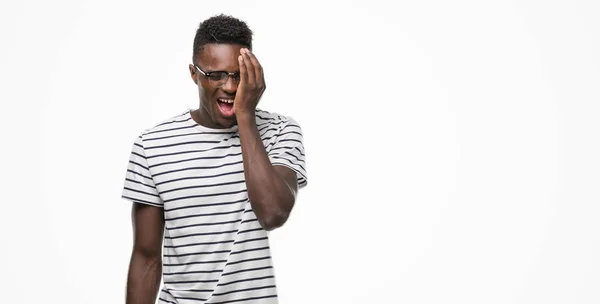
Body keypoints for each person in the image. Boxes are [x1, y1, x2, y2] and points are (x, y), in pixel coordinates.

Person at [121, 14, 307, 304]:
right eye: (216, 75)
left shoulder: (280, 131)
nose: (230, 87)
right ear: (194, 74)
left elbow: (273, 213)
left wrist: (245, 116)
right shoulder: (152, 145)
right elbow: (146, 258)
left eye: (238, 74)